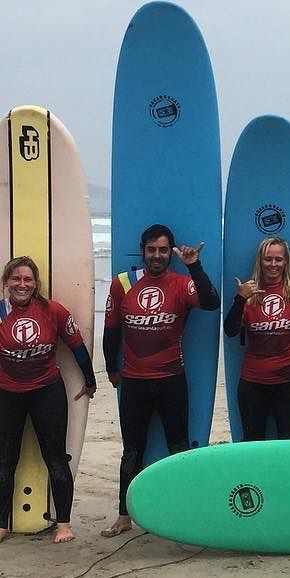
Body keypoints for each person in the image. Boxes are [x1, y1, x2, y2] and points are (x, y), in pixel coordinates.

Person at [0, 257, 96, 544]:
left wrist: (90, 381)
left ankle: (64, 524)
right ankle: (0, 525)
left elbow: (77, 345)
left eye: (27, 279)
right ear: (6, 283)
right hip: (6, 393)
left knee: (55, 458)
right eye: (16, 279)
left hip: (46, 391)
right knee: (5, 461)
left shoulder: (52, 310)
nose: (22, 284)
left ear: (36, 284)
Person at [102, 224, 220, 537]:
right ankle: (124, 515)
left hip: (171, 380)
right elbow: (111, 329)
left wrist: (194, 265)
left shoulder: (182, 284)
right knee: (132, 450)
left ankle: (182, 509)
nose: (157, 256)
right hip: (135, 382)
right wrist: (111, 368)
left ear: (171, 253)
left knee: (178, 447)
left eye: (163, 250)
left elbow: (211, 302)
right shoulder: (122, 284)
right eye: (152, 250)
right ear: (142, 250)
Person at [223, 236, 290, 440]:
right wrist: (240, 298)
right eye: (268, 259)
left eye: (279, 259)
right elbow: (230, 331)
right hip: (252, 382)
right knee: (252, 443)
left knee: (288, 442)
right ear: (260, 261)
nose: (273, 264)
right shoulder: (248, 295)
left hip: (288, 381)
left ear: (286, 262)